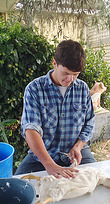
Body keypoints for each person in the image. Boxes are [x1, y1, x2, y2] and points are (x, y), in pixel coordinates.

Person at [15, 39, 95, 179]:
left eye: (75, 74)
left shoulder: (82, 89)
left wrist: (79, 146)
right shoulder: (34, 89)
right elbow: (30, 129)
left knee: (95, 184)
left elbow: (90, 122)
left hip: (74, 153)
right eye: (65, 73)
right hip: (42, 155)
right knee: (16, 187)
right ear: (54, 63)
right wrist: (48, 164)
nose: (70, 79)